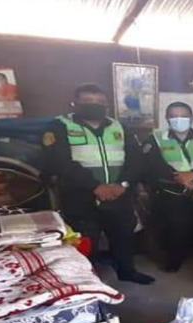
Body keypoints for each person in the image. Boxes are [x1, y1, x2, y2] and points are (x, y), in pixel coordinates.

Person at [41, 83, 154, 285]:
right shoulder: (59, 126)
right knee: (86, 240)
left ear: (107, 104)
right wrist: (95, 186)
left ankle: (127, 271)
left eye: (100, 101)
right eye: (87, 101)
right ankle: (88, 282)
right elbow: (59, 162)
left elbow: (136, 160)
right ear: (75, 103)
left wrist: (123, 184)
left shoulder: (119, 127)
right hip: (80, 195)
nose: (94, 105)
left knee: (124, 235)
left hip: (119, 193)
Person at [143, 102, 193, 272]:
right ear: (167, 118)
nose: (178, 119)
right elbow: (153, 163)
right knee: (176, 226)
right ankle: (175, 260)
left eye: (183, 116)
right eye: (173, 116)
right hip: (172, 190)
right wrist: (178, 176)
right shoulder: (155, 138)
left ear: (191, 118)